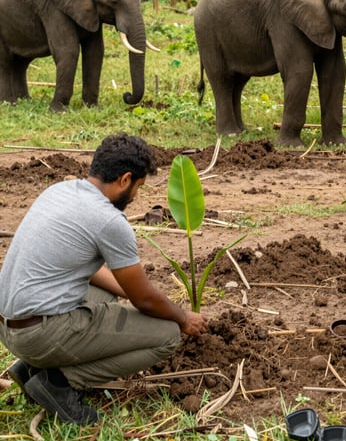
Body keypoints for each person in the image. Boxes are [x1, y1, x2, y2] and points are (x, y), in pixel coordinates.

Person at [0, 134, 208, 424]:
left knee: (107, 297)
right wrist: (183, 318)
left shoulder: (60, 190)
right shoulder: (109, 220)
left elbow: (96, 273)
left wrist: (132, 292)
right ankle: (59, 381)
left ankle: (30, 369)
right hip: (38, 335)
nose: (136, 196)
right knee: (167, 336)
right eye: (139, 187)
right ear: (125, 180)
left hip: (10, 328)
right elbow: (144, 300)